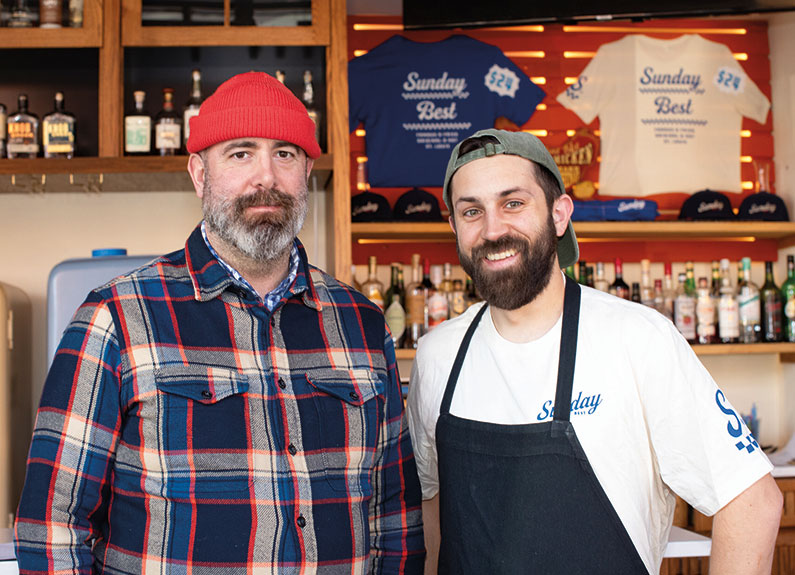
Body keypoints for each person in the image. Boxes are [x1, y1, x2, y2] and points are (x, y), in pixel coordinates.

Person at [15, 71, 424, 574]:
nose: (266, 177)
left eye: (286, 154)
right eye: (240, 153)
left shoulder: (361, 323)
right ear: (199, 174)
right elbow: (52, 523)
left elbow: (394, 521)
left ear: (307, 172)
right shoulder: (116, 318)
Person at [406, 128, 782, 574]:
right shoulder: (436, 356)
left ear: (559, 214)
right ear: (454, 227)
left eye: (513, 203)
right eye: (472, 211)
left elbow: (752, 500)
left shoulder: (638, 339)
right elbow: (431, 510)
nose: (492, 229)